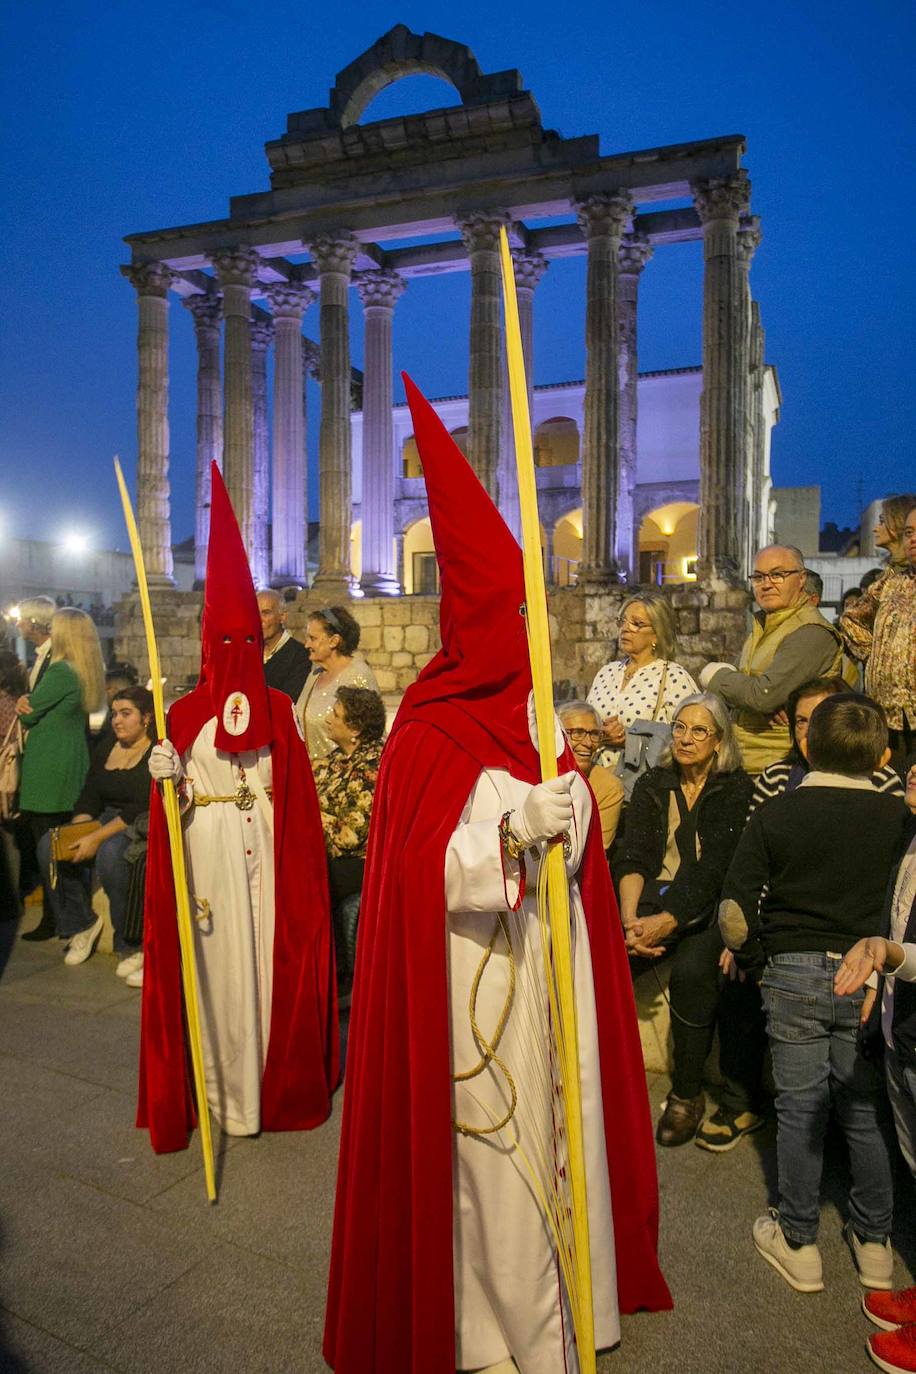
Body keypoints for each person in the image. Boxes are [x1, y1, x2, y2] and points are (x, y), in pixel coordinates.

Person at [325, 377, 670, 1374]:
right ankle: (495, 1329)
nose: (535, 628)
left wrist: (572, 826)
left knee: (561, 1144)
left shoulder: (535, 714)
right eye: (516, 609)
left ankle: (567, 1312)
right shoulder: (429, 727)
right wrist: (512, 825)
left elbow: (571, 850)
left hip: (546, 969)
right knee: (495, 1163)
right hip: (472, 978)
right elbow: (415, 868)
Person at [141, 463, 338, 1151]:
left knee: (266, 967)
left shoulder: (279, 708)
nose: (237, 654)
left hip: (268, 853)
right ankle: (222, 1091)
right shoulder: (185, 712)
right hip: (210, 855)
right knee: (219, 970)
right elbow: (176, 802)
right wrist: (166, 776)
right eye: (225, 641)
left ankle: (269, 1080)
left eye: (246, 642)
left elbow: (297, 797)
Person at [719, 694, 908, 1294]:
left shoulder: (775, 813)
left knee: (799, 1107)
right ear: (881, 755)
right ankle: (875, 1242)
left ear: (806, 745)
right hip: (869, 975)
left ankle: (799, 1242)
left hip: (791, 969)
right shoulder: (899, 821)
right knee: (864, 1107)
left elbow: (734, 912)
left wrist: (759, 962)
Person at [613, 693, 759, 1148]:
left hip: (708, 903)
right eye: (680, 727)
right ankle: (601, 1082)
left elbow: (715, 870)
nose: (686, 738)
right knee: (604, 958)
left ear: (718, 741)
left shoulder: (734, 788)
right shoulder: (655, 782)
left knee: (696, 972)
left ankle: (686, 1095)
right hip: (653, 899)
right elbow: (632, 852)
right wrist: (630, 919)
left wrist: (667, 921)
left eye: (700, 731)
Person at [834, 757, 916, 1374]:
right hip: (902, 1022)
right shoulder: (908, 833)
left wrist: (888, 953)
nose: (912, 775)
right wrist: (880, 979)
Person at [36, 685, 154, 971]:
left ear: (146, 718)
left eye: (126, 714)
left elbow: (137, 808)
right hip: (104, 816)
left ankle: (130, 944)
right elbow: (90, 795)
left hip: (140, 822)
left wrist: (95, 838)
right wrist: (78, 830)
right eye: (114, 714)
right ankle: (80, 924)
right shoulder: (105, 747)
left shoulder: (154, 752)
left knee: (112, 854)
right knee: (49, 844)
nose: (117, 721)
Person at [700, 543, 842, 775]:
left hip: (782, 765)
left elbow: (762, 696)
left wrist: (713, 673)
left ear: (801, 579)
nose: (766, 584)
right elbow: (751, 692)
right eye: (758, 577)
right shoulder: (765, 625)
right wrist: (751, 693)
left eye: (778, 575)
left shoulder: (810, 631)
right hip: (747, 758)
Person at [16, 608, 105, 942]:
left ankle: (72, 920)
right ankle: (67, 919)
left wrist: (27, 700)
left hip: (48, 766)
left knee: (49, 847)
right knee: (64, 844)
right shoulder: (84, 670)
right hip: (68, 760)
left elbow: (28, 715)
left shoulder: (61, 672)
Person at [311, 685, 385, 992]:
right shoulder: (333, 760)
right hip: (329, 853)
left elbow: (352, 834)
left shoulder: (374, 766)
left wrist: (311, 822)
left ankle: (336, 974)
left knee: (314, 880)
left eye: (336, 714)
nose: (328, 719)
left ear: (354, 729)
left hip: (362, 862)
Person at [751, 676, 904, 811]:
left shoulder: (882, 778)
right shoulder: (777, 775)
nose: (810, 730)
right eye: (801, 721)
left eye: (821, 719)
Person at [587, 590, 697, 769]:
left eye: (637, 624)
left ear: (656, 634)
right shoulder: (606, 673)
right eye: (622, 621)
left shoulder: (672, 676)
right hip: (595, 779)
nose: (625, 628)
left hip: (641, 784)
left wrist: (629, 739)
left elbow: (689, 738)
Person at [841, 500, 916, 761]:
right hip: (888, 712)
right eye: (909, 533)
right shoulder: (892, 581)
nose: (912, 540)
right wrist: (876, 655)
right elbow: (852, 619)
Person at [297, 606, 378, 761]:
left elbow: (371, 736)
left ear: (334, 641)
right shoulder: (315, 675)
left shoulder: (359, 676)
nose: (306, 645)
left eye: (313, 638)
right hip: (311, 776)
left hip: (342, 778)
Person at [557, 699, 624, 850]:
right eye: (578, 733)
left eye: (594, 734)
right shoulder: (533, 772)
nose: (588, 743)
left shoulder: (607, 788)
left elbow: (595, 851)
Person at [257, 589, 312, 702]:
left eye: (266, 613)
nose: (258, 620)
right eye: (254, 613)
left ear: (283, 617)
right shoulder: (247, 654)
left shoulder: (300, 656)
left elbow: (288, 700)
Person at [16, 596, 56, 690]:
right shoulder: (43, 653)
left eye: (20, 619)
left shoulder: (56, 655)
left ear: (33, 621)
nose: (17, 624)